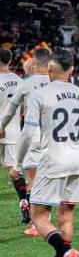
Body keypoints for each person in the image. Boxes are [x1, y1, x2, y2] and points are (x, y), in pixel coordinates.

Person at [15, 50, 79, 257]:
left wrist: (19, 163)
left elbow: (28, 134)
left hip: (52, 159)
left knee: (38, 215)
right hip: (76, 160)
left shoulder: (39, 95)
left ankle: (65, 252)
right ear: (72, 70)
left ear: (50, 69)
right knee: (66, 215)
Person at [0, 47, 52, 236]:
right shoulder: (24, 80)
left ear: (35, 61)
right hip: (48, 136)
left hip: (30, 134)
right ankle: (34, 210)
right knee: (37, 176)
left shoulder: (27, 83)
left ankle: (37, 221)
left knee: (31, 177)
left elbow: (11, 110)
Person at [0, 49, 28, 226]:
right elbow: (24, 109)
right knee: (14, 171)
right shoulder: (20, 82)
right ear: (10, 61)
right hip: (14, 132)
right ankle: (24, 201)